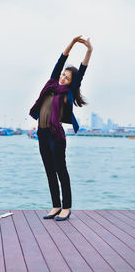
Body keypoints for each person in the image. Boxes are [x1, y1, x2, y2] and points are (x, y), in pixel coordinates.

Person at [29, 35, 93, 221]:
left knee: (60, 170)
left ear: (71, 82)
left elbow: (82, 70)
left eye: (67, 77)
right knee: (49, 171)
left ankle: (67, 207)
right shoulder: (51, 84)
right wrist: (72, 44)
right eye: (63, 75)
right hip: (41, 133)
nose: (63, 78)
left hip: (55, 135)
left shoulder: (69, 92)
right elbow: (61, 60)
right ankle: (56, 205)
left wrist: (88, 50)